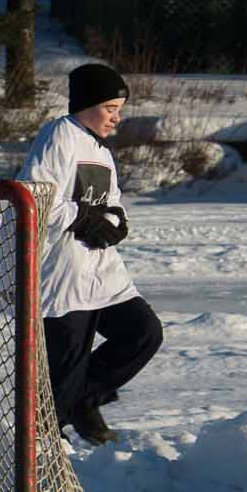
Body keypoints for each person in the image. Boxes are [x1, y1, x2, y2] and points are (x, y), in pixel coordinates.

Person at [17, 61, 162, 445]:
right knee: (63, 371)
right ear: (87, 103)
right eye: (111, 108)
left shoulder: (101, 150)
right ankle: (44, 448)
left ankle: (84, 400)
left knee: (142, 333)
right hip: (61, 273)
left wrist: (116, 221)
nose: (117, 118)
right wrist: (82, 217)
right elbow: (33, 198)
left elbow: (111, 201)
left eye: (119, 110)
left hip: (101, 271)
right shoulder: (59, 135)